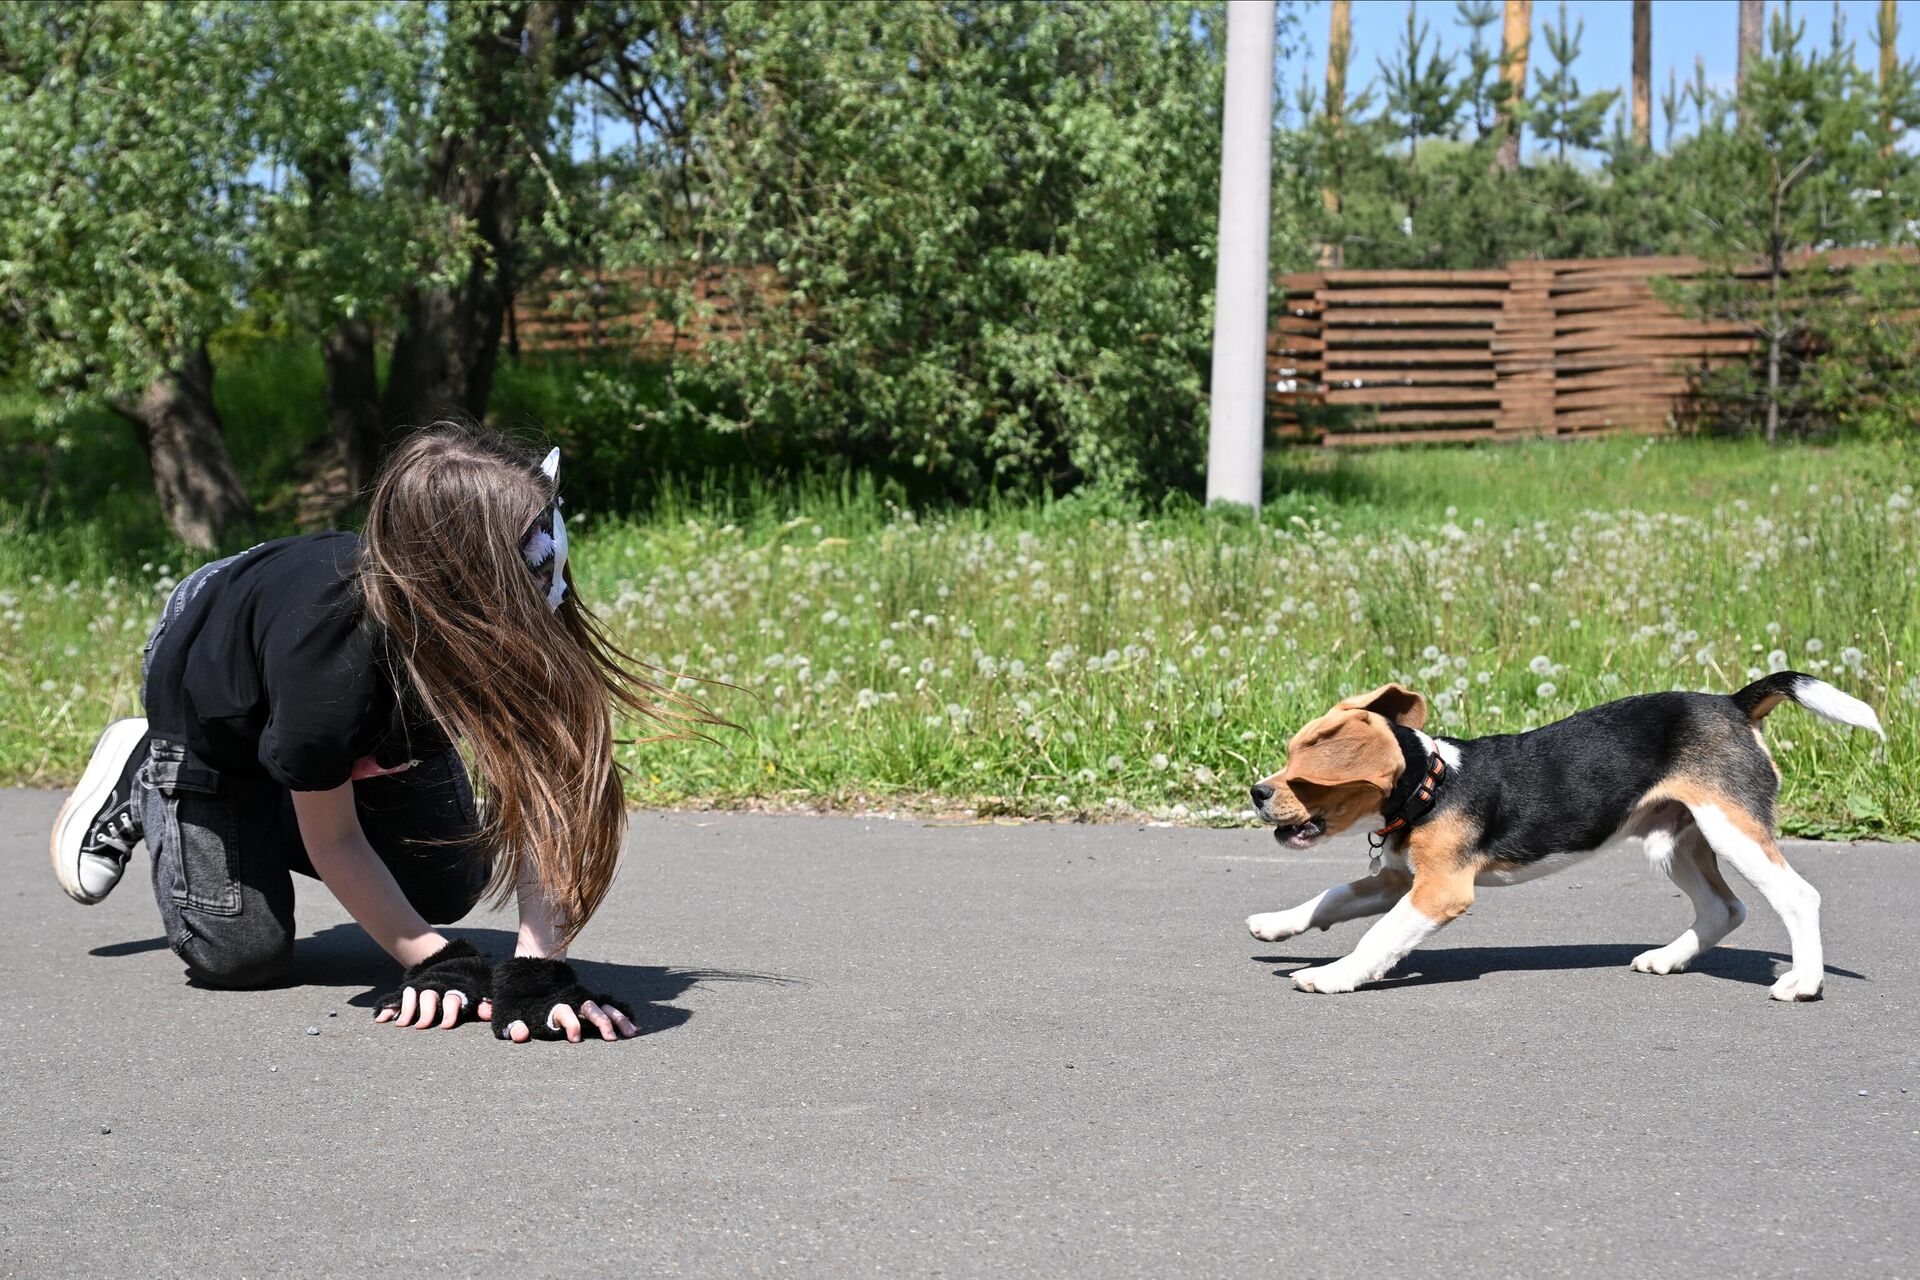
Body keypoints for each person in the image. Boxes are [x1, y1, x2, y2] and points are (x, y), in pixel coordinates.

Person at [49, 423, 714, 1043]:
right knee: (240, 953)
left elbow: (552, 792)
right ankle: (144, 768)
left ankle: (305, 775)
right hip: (217, 694)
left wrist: (538, 973)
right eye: (536, 553)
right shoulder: (331, 675)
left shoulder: (523, 594)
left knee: (447, 887)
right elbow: (333, 837)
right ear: (465, 580)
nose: (554, 566)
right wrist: (432, 958)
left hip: (361, 710)